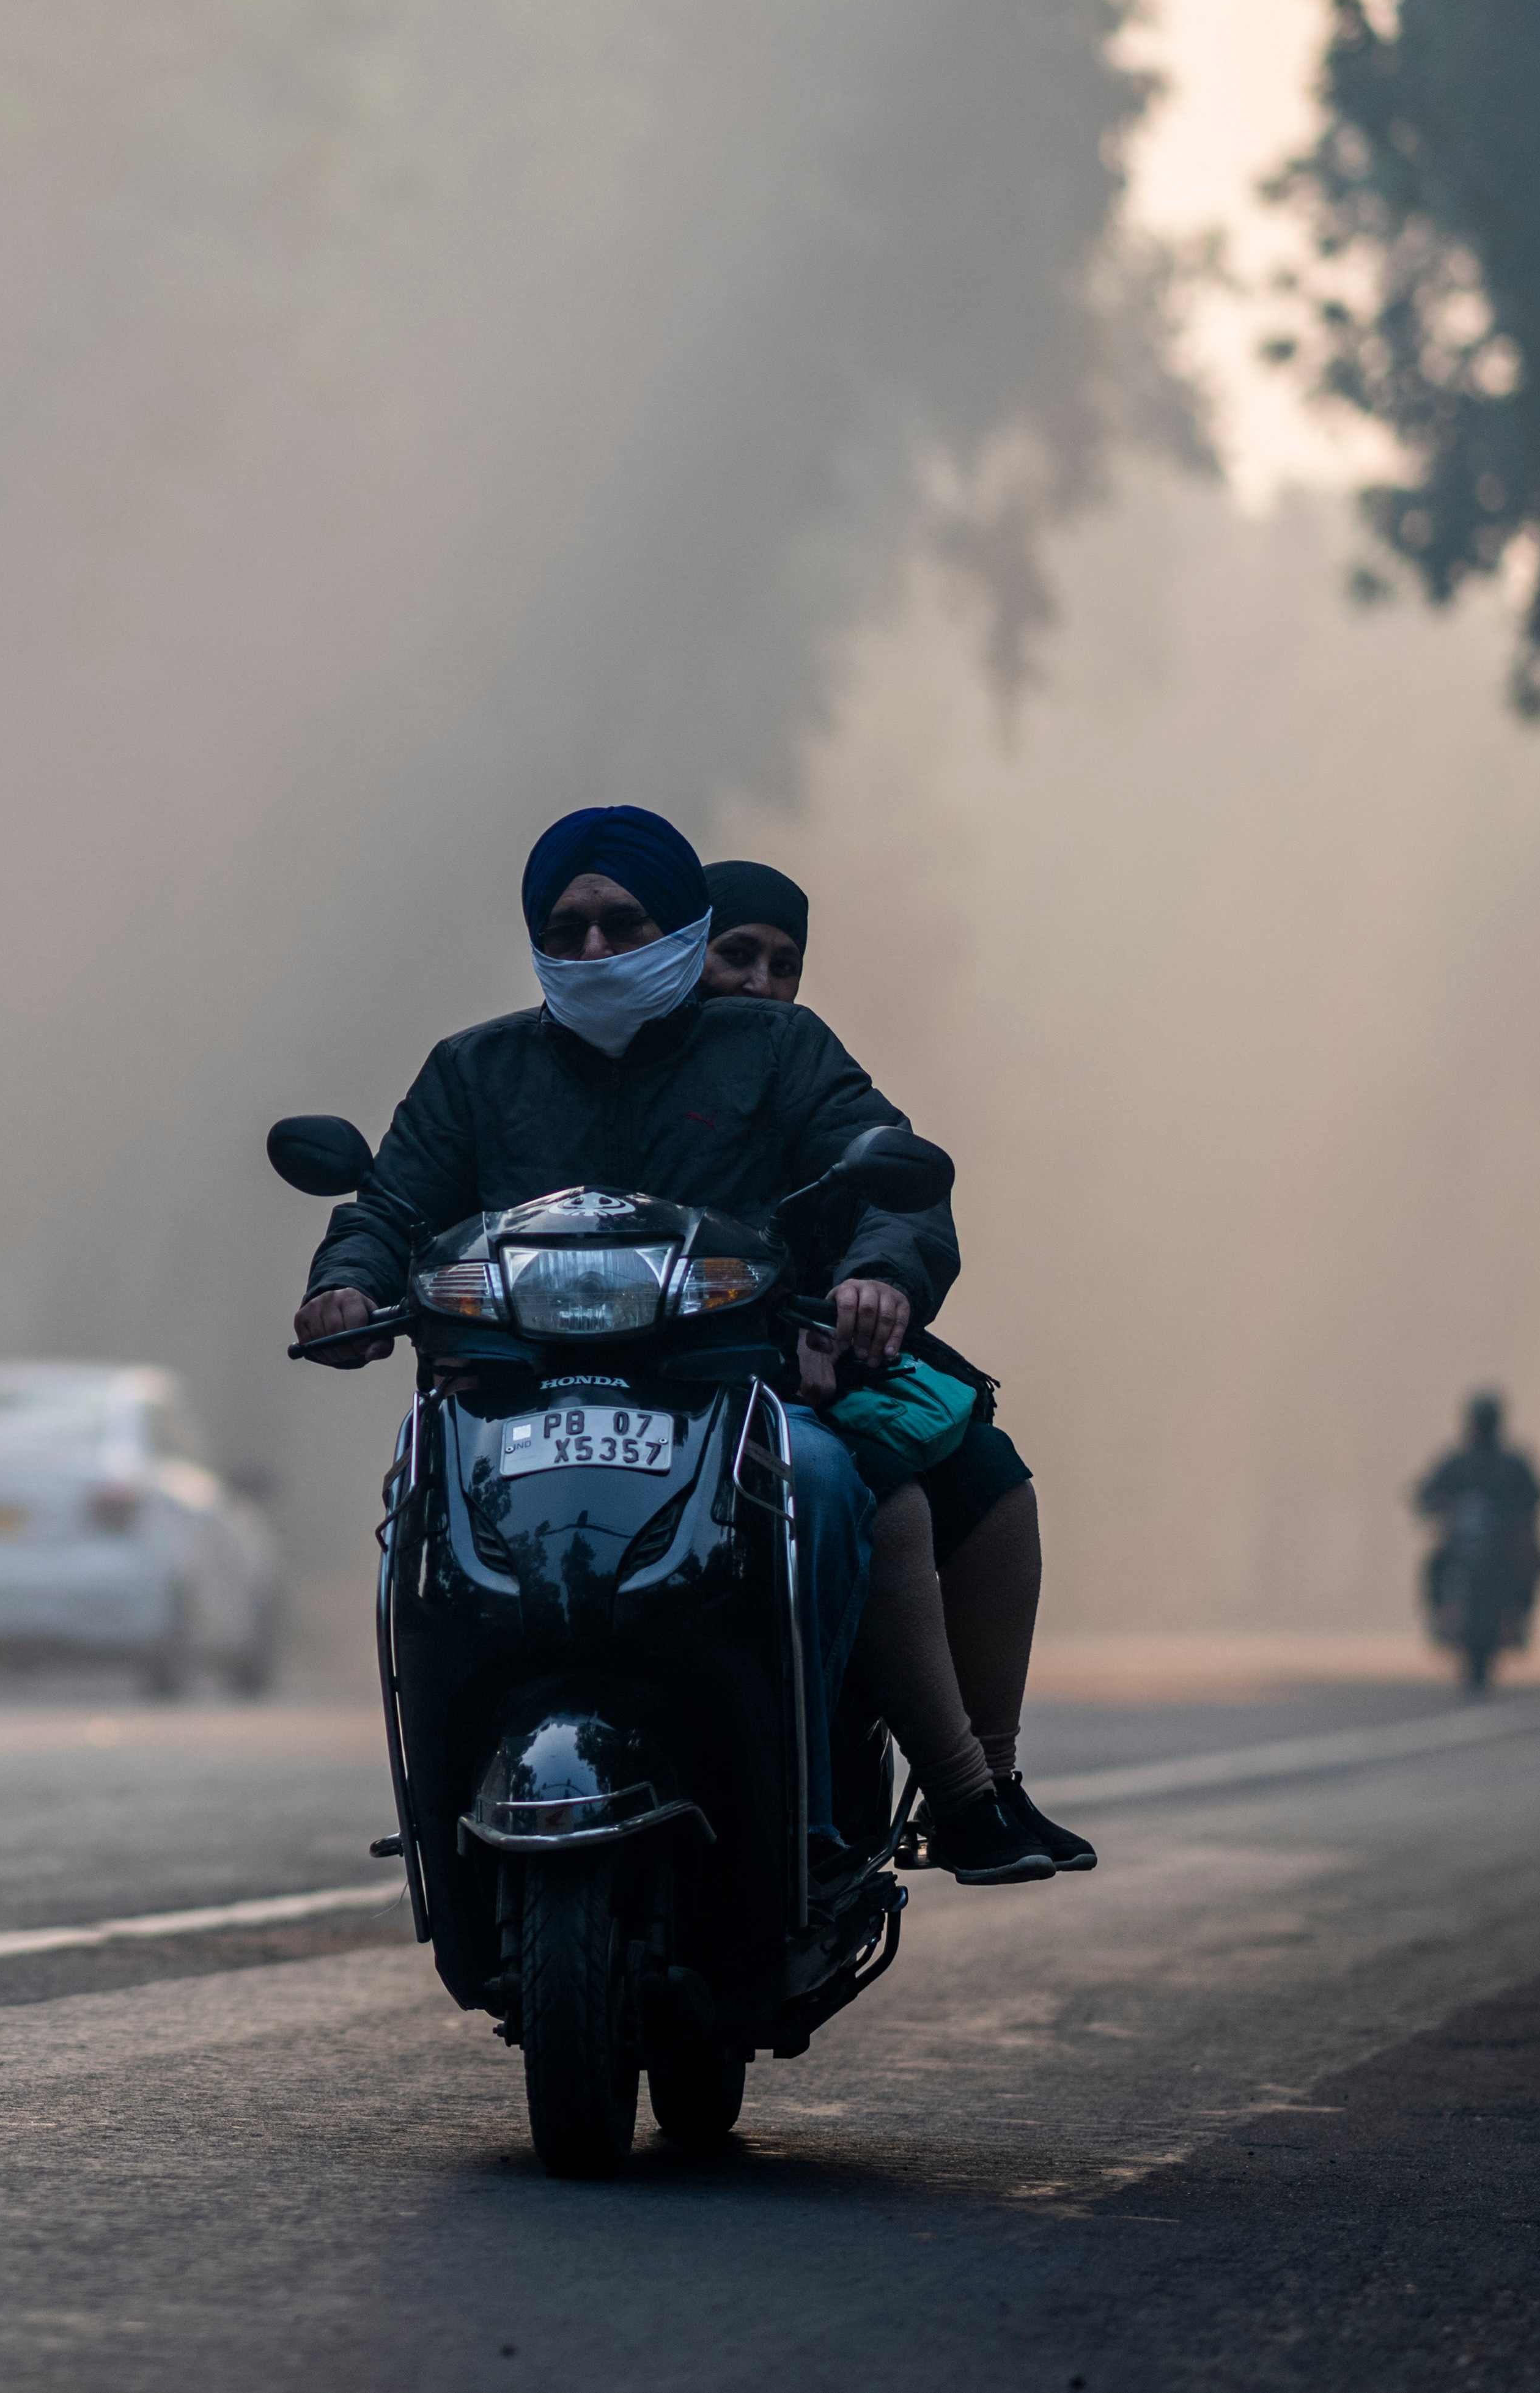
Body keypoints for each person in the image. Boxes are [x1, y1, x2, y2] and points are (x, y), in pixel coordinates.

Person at [293, 806, 1047, 1886]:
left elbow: (884, 1171)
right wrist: (342, 1286)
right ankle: (440, 1814)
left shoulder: (780, 1049)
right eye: (565, 927)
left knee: (833, 1483)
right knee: (420, 1508)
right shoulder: (472, 1072)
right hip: (511, 1408)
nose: (592, 948)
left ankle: (827, 1802)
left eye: (621, 922)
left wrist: (882, 1269)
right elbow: (388, 1206)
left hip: (731, 1398)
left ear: (681, 929)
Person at [699, 857, 1086, 1873]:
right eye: (733, 953)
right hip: (650, 1376)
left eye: (783, 963)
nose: (759, 981)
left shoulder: (798, 1060)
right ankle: (959, 1786)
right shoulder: (590, 1064)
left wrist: (874, 1279)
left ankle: (986, 1783)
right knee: (885, 1498)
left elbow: (888, 1170)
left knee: (992, 1481)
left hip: (795, 1361)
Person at [1413, 1390, 1540, 1684]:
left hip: (1504, 1543)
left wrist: (1522, 1517)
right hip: (1463, 1541)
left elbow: (1536, 1496)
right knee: (1434, 1566)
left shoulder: (1512, 1463)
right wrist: (1433, 1505)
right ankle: (1439, 1617)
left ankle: (1521, 1618)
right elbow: (1426, 1493)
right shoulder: (1457, 1462)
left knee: (1536, 1565)